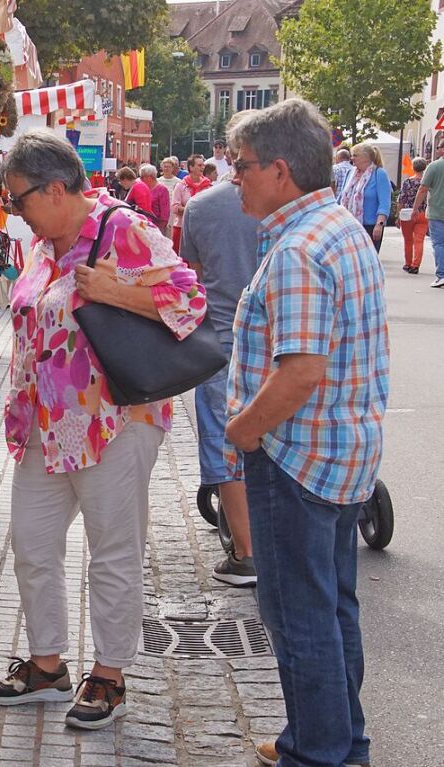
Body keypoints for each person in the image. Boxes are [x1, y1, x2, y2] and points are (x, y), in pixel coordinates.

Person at [0, 129, 207, 731]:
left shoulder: (122, 229)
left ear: (57, 188)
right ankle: (47, 665)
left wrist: (117, 291)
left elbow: (192, 303)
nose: (16, 212)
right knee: (32, 542)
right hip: (48, 425)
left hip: (114, 421)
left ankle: (109, 676)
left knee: (112, 552)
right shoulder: (46, 243)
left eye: (20, 199)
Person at [226, 98, 388, 767]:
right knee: (330, 608)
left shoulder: (297, 247)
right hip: (339, 453)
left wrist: (240, 429)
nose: (233, 176)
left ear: (280, 170)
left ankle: (318, 752)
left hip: (298, 458)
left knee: (300, 618)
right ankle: (334, 741)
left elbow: (299, 373)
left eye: (241, 166)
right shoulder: (335, 226)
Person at [180, 109, 261, 587]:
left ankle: (246, 553)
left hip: (221, 337)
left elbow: (189, 271)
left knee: (224, 440)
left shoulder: (201, 207)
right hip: (277, 340)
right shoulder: (285, 207)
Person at [339, 141, 391, 253]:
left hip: (370, 227)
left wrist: (379, 224)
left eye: (355, 155)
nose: (352, 158)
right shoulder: (350, 173)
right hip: (349, 225)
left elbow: (384, 203)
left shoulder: (379, 173)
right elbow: (341, 197)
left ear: (366, 157)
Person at [411, 153, 444, 287]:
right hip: (436, 212)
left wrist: (415, 208)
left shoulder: (434, 166)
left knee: (439, 244)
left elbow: (423, 188)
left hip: (437, 211)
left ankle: (441, 275)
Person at [170, 154, 211, 253]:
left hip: (202, 228)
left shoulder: (207, 185)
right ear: (191, 167)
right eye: (199, 165)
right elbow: (174, 207)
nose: (202, 168)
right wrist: (191, 210)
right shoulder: (181, 185)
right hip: (182, 228)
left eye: (203, 165)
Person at [397, 157, 429, 273]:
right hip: (423, 213)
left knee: (408, 240)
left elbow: (401, 199)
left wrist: (398, 215)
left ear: (413, 167)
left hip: (408, 214)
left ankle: (408, 263)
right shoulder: (427, 182)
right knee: (419, 240)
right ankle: (416, 265)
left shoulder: (408, 182)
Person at [138, 163, 171, 232]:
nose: (140, 179)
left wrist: (159, 229)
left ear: (149, 177)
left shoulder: (162, 190)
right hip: (143, 225)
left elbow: (165, 213)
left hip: (157, 227)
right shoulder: (142, 188)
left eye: (142, 177)